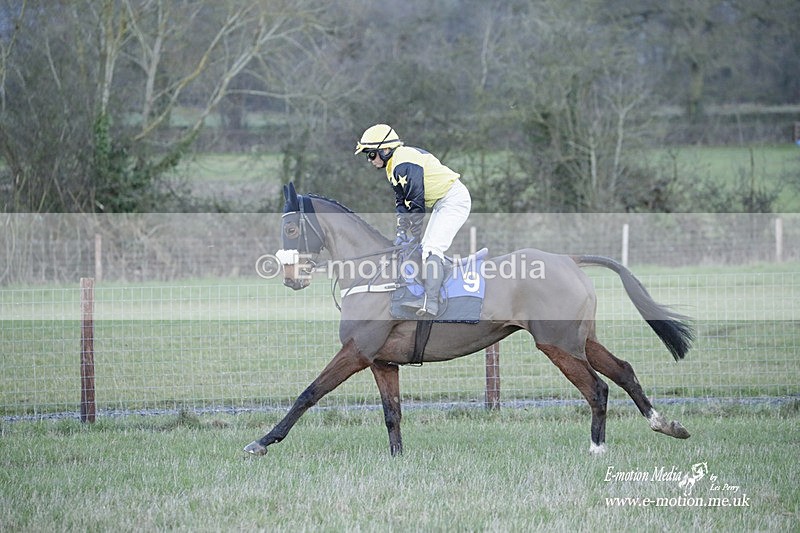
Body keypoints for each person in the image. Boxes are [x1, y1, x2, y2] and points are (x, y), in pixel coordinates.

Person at [354, 123, 472, 316]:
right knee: (427, 249)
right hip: (443, 202)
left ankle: (431, 302)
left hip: (453, 199)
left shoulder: (403, 162)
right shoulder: (393, 166)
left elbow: (416, 203)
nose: (370, 160)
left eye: (371, 154)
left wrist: (414, 236)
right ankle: (437, 287)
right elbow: (402, 202)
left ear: (385, 150)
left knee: (432, 248)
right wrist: (401, 231)